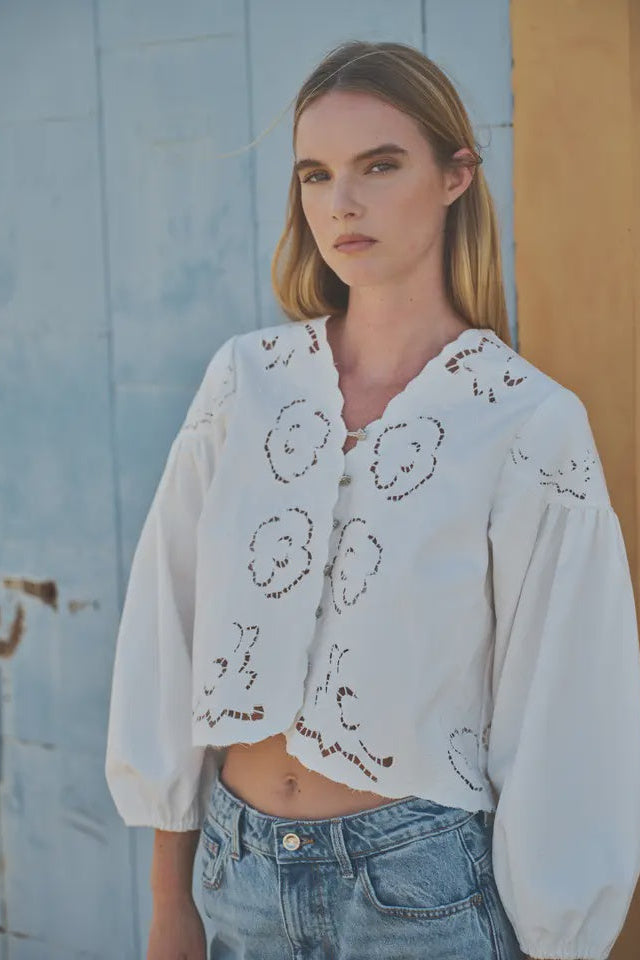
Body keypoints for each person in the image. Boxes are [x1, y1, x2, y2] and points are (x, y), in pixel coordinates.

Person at [105, 39, 640, 960]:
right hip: (234, 878)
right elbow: (169, 623)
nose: (340, 202)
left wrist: (560, 936)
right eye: (316, 174)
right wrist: (168, 904)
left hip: (422, 893)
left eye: (379, 165)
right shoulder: (247, 383)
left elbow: (565, 712)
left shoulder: (525, 422)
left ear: (455, 176)